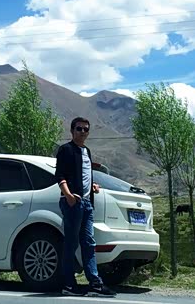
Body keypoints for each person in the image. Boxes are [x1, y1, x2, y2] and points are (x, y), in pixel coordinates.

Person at [55, 117, 116, 298]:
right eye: (79, 129)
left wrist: (92, 186)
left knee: (89, 243)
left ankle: (95, 284)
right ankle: (68, 284)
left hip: (87, 203)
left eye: (86, 129)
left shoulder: (87, 151)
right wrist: (68, 196)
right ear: (72, 131)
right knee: (71, 243)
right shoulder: (66, 149)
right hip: (73, 203)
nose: (83, 132)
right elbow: (60, 175)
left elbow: (83, 175)